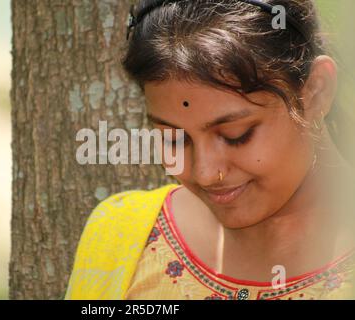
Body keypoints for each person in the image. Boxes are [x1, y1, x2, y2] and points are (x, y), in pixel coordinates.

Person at [65, 0, 355, 300]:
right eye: (174, 139)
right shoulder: (120, 235)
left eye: (236, 135)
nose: (205, 174)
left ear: (317, 91)